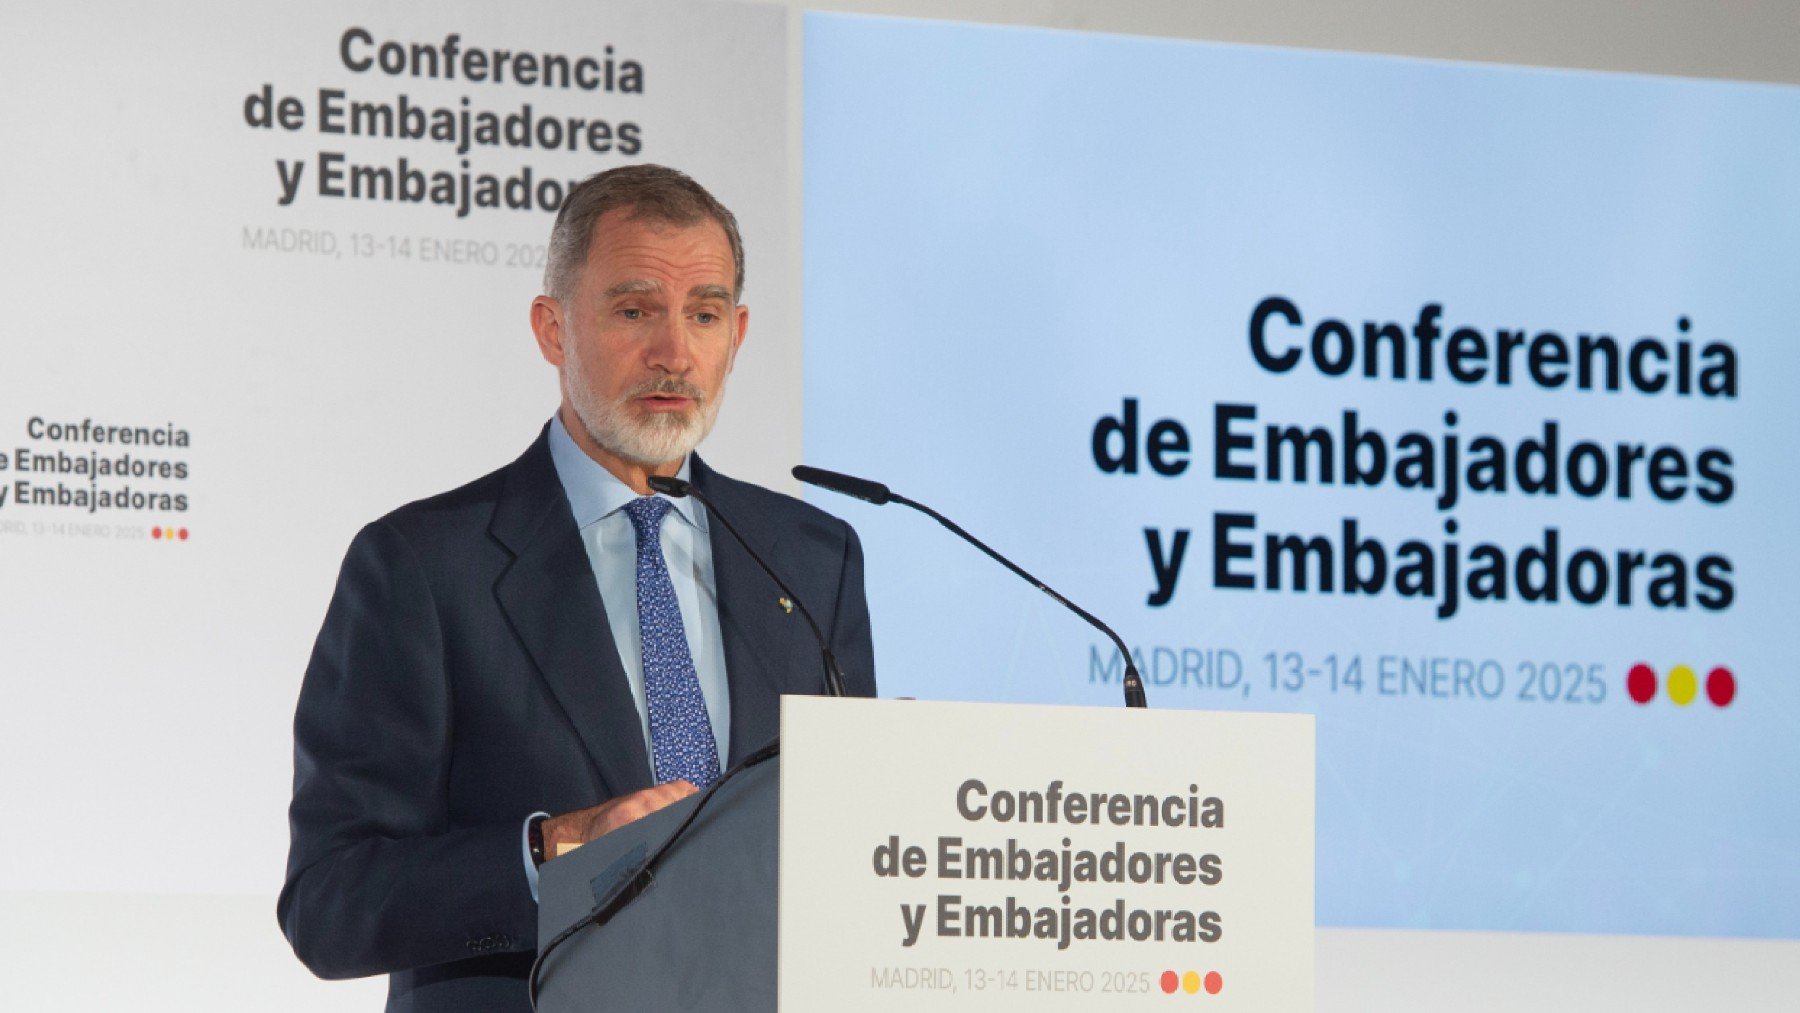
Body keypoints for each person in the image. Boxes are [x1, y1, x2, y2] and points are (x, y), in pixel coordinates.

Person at [277, 164, 876, 1011]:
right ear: (552, 329)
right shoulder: (420, 564)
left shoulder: (813, 559)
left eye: (704, 314)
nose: (675, 351)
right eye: (635, 310)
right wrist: (555, 850)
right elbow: (329, 902)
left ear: (737, 334)